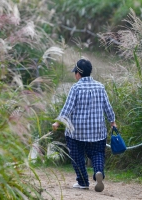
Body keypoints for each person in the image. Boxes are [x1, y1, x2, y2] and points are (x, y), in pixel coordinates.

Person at [52, 58, 116, 192]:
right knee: (98, 153)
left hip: (77, 132)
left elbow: (67, 108)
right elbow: (107, 107)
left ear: (78, 73)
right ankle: (98, 171)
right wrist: (112, 121)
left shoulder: (75, 88)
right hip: (98, 131)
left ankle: (83, 182)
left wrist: (58, 122)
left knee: (76, 155)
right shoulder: (100, 86)